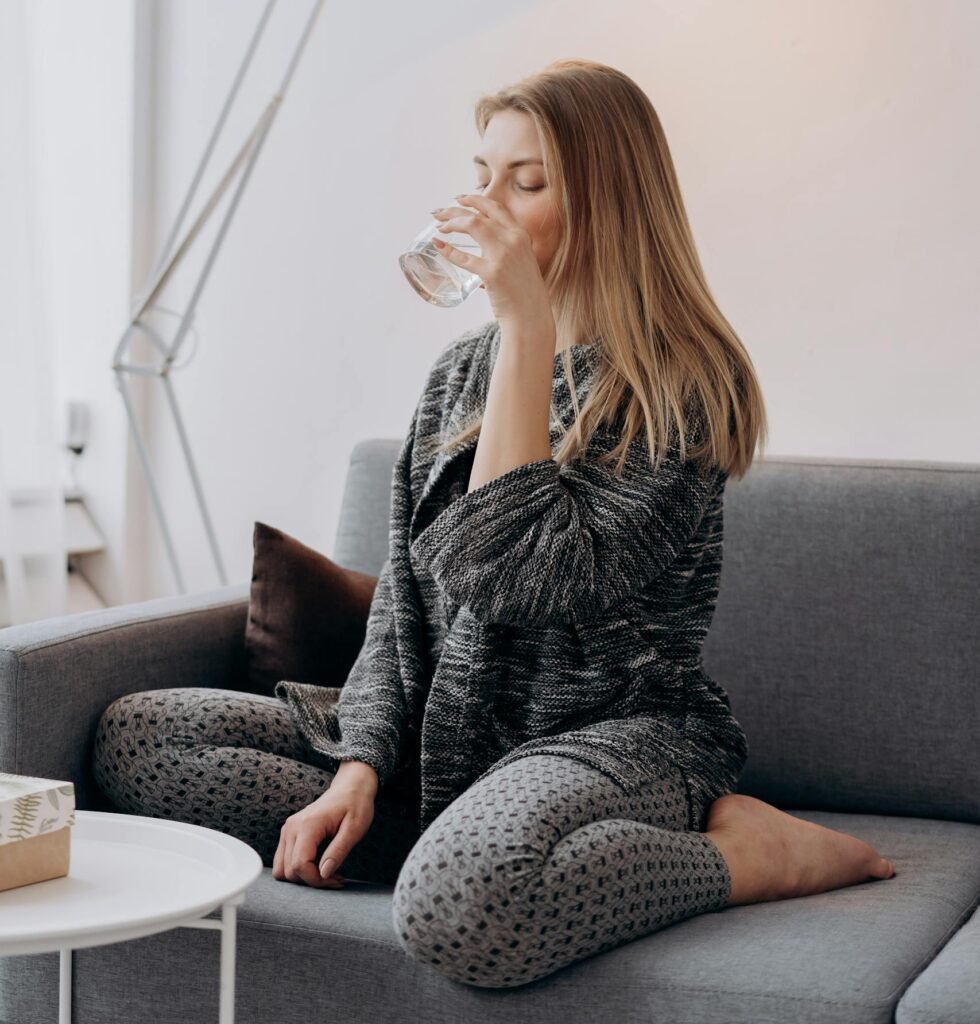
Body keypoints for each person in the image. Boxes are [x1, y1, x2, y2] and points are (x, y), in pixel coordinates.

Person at [93, 58, 895, 990]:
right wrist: (360, 766)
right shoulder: (459, 371)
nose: (485, 206)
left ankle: (746, 857)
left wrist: (526, 326)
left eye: (527, 182)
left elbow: (514, 578)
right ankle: (475, 838)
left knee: (461, 907)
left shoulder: (682, 385)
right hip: (448, 747)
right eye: (482, 174)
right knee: (139, 735)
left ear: (607, 202)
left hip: (609, 737)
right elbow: (403, 601)